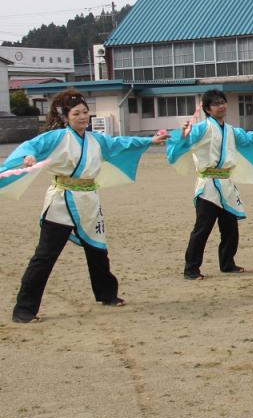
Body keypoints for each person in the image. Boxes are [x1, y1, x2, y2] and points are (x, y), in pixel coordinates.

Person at [2, 89, 167, 323]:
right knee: (45, 256)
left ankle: (106, 294)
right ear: (66, 117)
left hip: (89, 200)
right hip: (62, 201)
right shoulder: (56, 138)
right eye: (76, 113)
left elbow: (121, 143)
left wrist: (150, 140)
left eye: (85, 112)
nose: (82, 117)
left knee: (98, 250)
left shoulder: (96, 140)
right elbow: (30, 147)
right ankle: (24, 310)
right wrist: (28, 157)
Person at [167, 89, 253, 280]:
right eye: (216, 103)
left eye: (223, 102)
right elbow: (184, 142)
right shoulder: (201, 128)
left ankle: (227, 263)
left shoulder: (230, 130)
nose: (221, 106)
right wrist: (183, 136)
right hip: (208, 186)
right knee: (202, 229)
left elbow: (248, 139)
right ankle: (191, 268)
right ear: (207, 109)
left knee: (230, 229)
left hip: (226, 185)